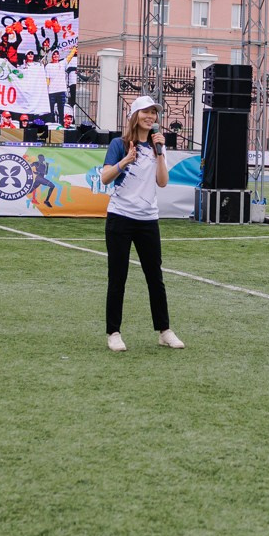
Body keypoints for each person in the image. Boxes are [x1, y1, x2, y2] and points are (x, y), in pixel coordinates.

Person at [102, 95, 181, 351]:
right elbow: (104, 177)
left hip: (148, 219)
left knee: (155, 277)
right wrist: (125, 160)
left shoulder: (159, 145)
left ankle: (164, 331)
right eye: (146, 112)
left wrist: (160, 154)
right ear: (135, 116)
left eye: (154, 113)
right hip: (120, 218)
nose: (151, 117)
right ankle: (113, 332)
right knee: (118, 277)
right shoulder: (119, 143)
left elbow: (162, 182)